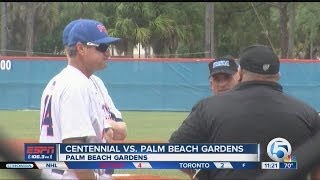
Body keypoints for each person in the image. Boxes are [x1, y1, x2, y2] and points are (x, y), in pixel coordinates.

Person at [169, 45, 320, 179]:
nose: (221, 84)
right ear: (278, 76)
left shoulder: (207, 108)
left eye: (226, 78)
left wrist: (195, 174)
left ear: (239, 73)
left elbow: (175, 149)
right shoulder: (307, 114)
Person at [39, 19, 122, 179]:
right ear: (80, 48)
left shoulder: (58, 81)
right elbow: (75, 152)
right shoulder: (76, 85)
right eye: (102, 47)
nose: (108, 53)